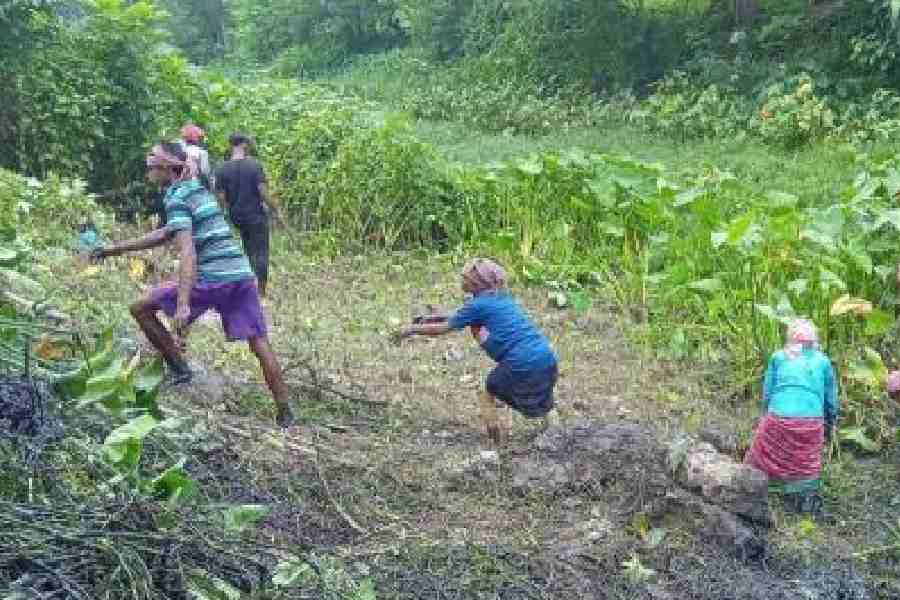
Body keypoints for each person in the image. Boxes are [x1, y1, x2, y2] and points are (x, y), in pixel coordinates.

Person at [91, 142, 297, 428]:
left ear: (166, 166)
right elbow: (167, 233)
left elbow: (187, 252)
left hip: (213, 279)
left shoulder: (176, 197)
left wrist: (184, 303)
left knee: (140, 308)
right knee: (260, 343)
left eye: (151, 163)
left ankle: (180, 369)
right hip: (241, 275)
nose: (148, 168)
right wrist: (114, 249)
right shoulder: (196, 189)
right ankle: (285, 409)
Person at [392, 258, 559, 446]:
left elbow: (445, 328)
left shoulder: (477, 305)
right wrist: (430, 318)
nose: (462, 281)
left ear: (476, 283)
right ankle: (557, 434)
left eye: (465, 278)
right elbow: (462, 316)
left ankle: (496, 442)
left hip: (521, 361)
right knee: (545, 399)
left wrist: (410, 330)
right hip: (546, 356)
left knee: (488, 392)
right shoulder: (499, 299)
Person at [744, 318, 838, 515]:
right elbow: (831, 399)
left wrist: (766, 416)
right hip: (811, 420)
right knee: (807, 459)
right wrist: (830, 421)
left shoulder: (778, 357)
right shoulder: (823, 361)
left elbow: (768, 393)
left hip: (778, 415)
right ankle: (804, 496)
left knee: (763, 452)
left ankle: (756, 483)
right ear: (814, 340)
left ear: (790, 339)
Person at [214, 133, 282, 298]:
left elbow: (221, 198)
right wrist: (276, 210)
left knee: (248, 249)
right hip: (255, 215)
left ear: (231, 146)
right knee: (261, 252)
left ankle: (250, 288)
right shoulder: (254, 165)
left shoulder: (222, 169)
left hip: (237, 217)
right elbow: (263, 192)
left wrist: (229, 214)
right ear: (244, 145)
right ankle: (261, 292)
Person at [179, 124, 212, 190]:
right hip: (196, 184)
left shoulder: (180, 151)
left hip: (181, 185)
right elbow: (205, 171)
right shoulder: (202, 153)